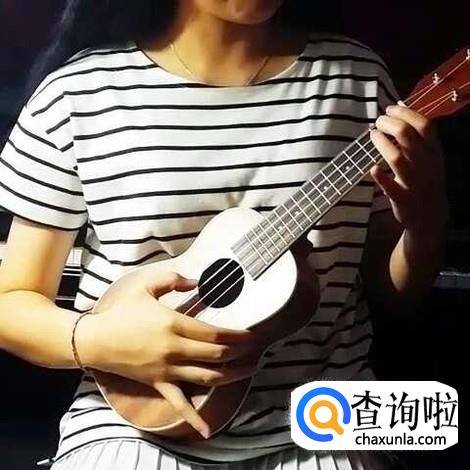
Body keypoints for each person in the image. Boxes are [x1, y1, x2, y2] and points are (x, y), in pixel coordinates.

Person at [0, 1, 448, 469]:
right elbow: (11, 302)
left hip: (324, 417)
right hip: (129, 424)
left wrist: (426, 218)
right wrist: (102, 341)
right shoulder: (79, 93)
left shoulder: (357, 79)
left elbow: (395, 292)